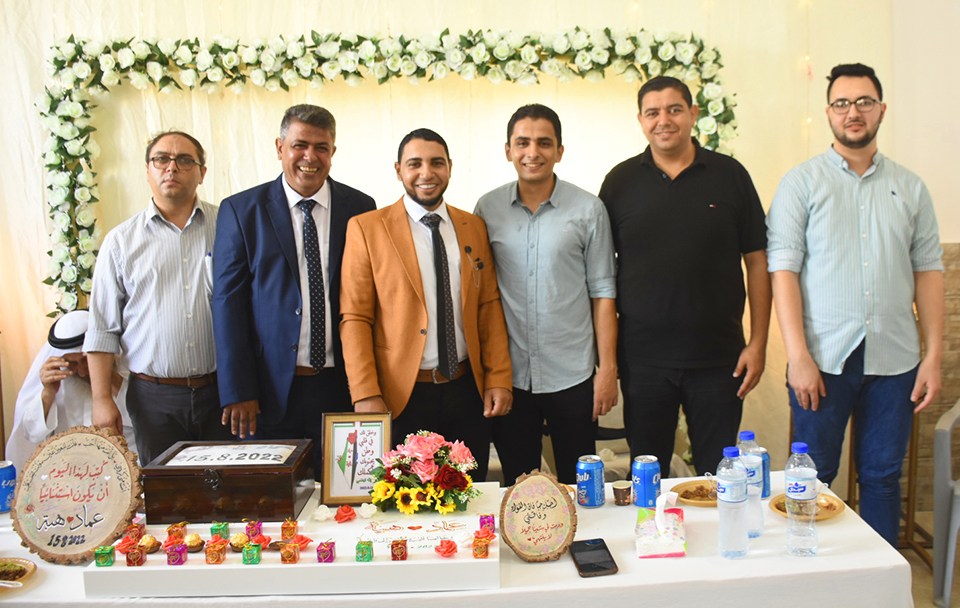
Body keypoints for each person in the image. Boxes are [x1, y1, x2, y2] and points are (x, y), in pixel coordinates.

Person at [767, 63, 944, 546]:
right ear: (828, 113)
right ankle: (808, 571)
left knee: (882, 477)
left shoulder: (910, 187)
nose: (853, 112)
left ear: (881, 109)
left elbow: (928, 272)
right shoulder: (801, 183)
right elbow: (783, 272)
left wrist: (932, 357)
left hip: (896, 360)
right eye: (842, 103)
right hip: (823, 360)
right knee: (814, 475)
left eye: (864, 101)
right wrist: (798, 357)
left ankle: (880, 578)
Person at [599, 76, 771, 476]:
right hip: (643, 360)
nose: (664, 120)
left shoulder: (730, 175)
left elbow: (757, 261)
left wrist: (758, 343)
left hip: (719, 360)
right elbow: (601, 276)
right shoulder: (619, 182)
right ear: (640, 120)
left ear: (693, 114)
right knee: (648, 475)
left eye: (674, 109)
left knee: (718, 475)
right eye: (653, 112)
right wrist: (606, 361)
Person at [340, 128, 512, 481]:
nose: (426, 173)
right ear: (398, 170)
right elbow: (355, 317)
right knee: (407, 499)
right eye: (414, 163)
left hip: (466, 390)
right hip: (402, 395)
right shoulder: (367, 228)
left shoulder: (473, 226)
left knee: (469, 493)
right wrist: (365, 393)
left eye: (436, 163)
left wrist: (498, 377)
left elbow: (488, 305)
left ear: (449, 167)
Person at [213, 105, 376, 477]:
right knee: (275, 498)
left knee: (343, 492)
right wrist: (238, 390)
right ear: (280, 147)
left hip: (341, 386)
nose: (310, 157)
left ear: (333, 152)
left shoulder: (360, 208)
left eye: (321, 147)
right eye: (300, 145)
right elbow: (227, 304)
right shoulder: (242, 210)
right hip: (267, 390)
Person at [474, 104, 618, 485]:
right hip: (511, 375)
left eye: (543, 143)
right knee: (519, 486)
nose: (532, 152)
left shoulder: (589, 209)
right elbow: (479, 293)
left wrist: (607, 371)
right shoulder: (487, 209)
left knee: (580, 486)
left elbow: (603, 293)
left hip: (572, 373)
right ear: (508, 150)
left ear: (559, 151)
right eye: (522, 143)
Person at [85, 131, 232, 465]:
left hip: (221, 394)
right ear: (147, 170)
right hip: (154, 398)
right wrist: (101, 399)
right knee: (165, 491)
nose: (172, 168)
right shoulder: (121, 242)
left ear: (202, 172)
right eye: (162, 159)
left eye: (184, 160)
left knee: (225, 489)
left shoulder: (228, 226)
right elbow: (102, 328)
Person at [8, 310, 137, 470]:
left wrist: (107, 378)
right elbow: (31, 435)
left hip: (122, 463)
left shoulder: (123, 370)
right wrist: (48, 393)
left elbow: (144, 422)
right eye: (73, 363)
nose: (82, 372)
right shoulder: (55, 376)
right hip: (68, 468)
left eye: (86, 361)